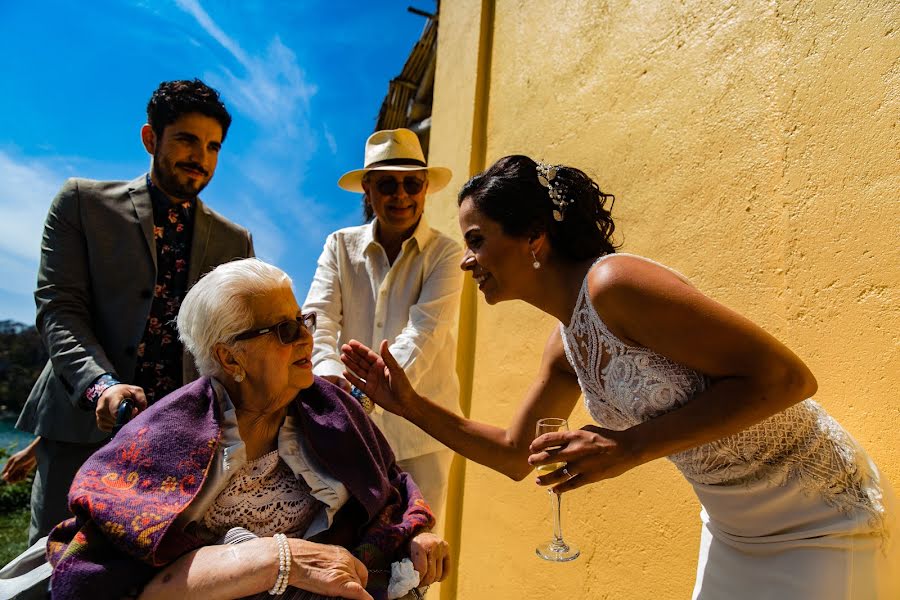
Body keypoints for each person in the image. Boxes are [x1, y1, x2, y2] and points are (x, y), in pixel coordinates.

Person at [341, 155, 899, 598]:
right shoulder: (564, 342)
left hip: (817, 520)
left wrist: (629, 447)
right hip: (734, 533)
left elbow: (787, 380)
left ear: (534, 236)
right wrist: (409, 404)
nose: (468, 261)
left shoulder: (616, 284)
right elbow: (515, 454)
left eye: (478, 239)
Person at [42, 258, 449, 600]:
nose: (307, 339)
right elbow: (104, 579)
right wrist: (275, 560)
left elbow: (391, 491)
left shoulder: (334, 408)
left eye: (303, 321)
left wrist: (413, 537)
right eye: (285, 331)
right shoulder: (162, 437)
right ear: (230, 358)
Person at [15, 79, 255, 544]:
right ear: (150, 138)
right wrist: (100, 386)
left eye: (212, 146)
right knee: (52, 569)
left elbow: (231, 345)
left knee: (148, 578)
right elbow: (59, 310)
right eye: (186, 139)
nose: (200, 157)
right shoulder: (81, 203)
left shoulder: (235, 241)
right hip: (80, 429)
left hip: (176, 445)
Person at [303, 128, 463, 524]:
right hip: (348, 433)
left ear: (425, 188)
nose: (401, 195)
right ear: (368, 190)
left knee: (417, 556)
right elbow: (318, 319)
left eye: (412, 183)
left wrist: (363, 394)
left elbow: (425, 333)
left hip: (423, 435)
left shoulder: (447, 253)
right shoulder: (339, 245)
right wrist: (329, 378)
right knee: (350, 546)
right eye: (388, 184)